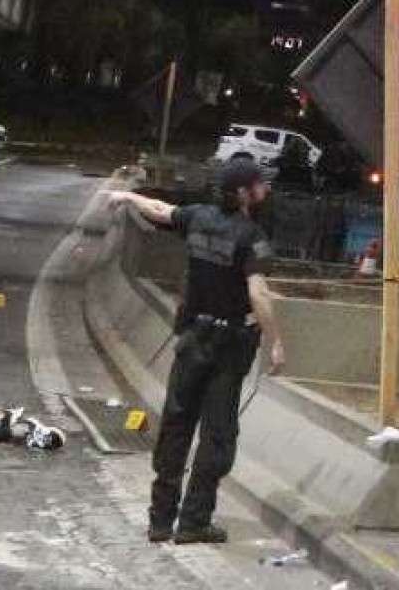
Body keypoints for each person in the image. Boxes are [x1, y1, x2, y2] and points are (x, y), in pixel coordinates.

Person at [102, 161, 287, 546]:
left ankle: (160, 520)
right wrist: (276, 341)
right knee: (217, 435)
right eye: (259, 186)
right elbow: (257, 294)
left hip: (192, 339)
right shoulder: (252, 237)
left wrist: (125, 195)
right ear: (242, 194)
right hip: (229, 346)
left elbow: (159, 210)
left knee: (176, 423)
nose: (265, 192)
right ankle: (194, 522)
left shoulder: (198, 218)